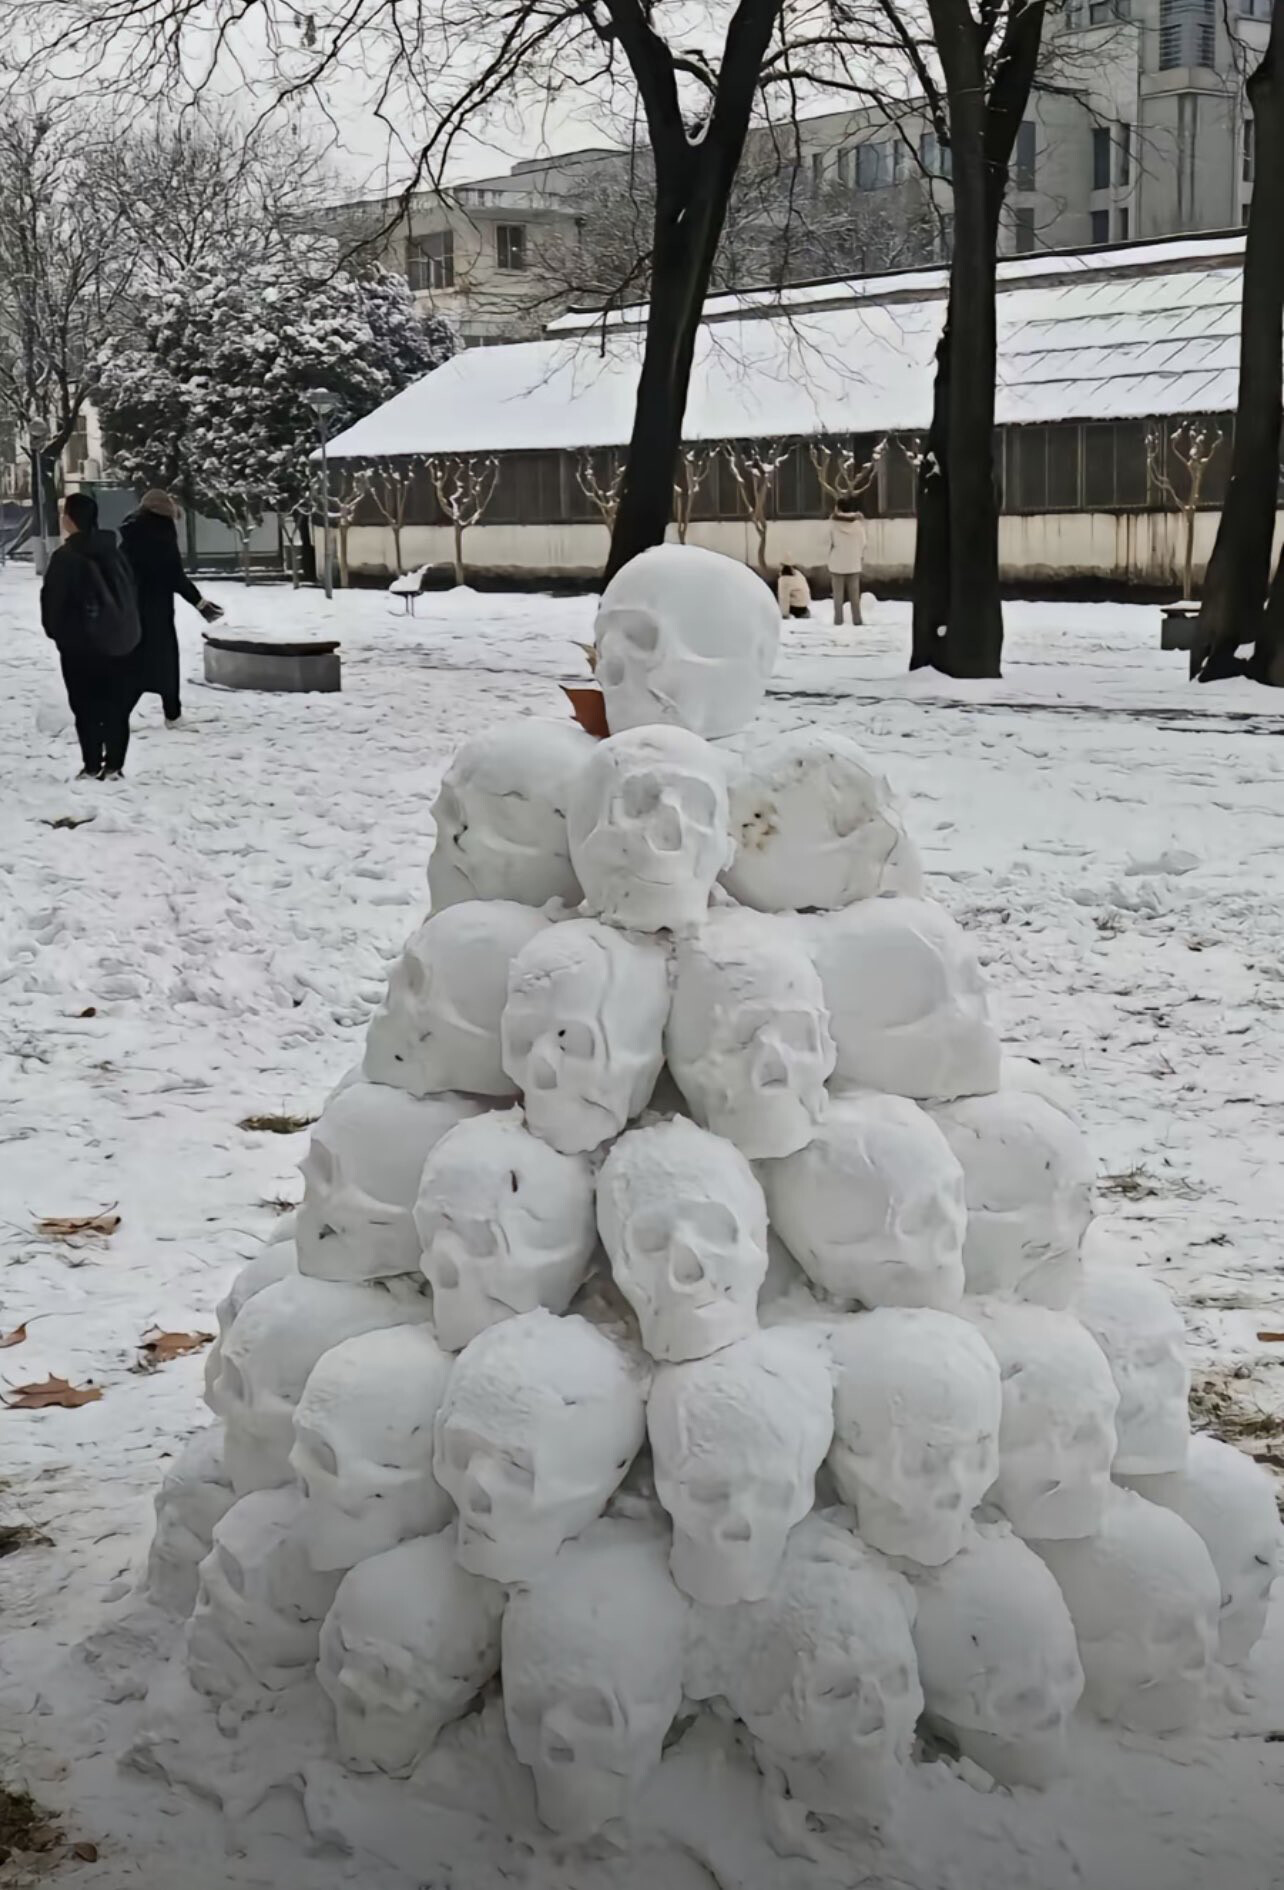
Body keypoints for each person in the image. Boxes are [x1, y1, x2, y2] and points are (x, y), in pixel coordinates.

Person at [41, 492, 142, 781]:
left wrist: (59, 633)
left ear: (71, 519)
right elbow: (130, 592)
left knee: (85, 705)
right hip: (118, 642)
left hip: (79, 646)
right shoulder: (115, 552)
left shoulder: (65, 558)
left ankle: (92, 764)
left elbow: (52, 603)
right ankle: (115, 765)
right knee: (115, 705)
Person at [120, 489, 222, 726]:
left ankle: (128, 714)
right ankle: (171, 715)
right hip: (156, 608)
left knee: (137, 662)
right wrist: (199, 602)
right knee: (163, 662)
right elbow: (173, 574)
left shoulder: (131, 530)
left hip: (131, 606)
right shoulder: (160, 532)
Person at [828, 501, 868, 627]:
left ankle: (838, 620)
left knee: (837, 597)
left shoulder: (833, 525)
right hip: (854, 563)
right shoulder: (858, 525)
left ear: (838, 509)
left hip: (837, 564)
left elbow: (828, 543)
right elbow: (863, 543)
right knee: (855, 596)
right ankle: (857, 620)